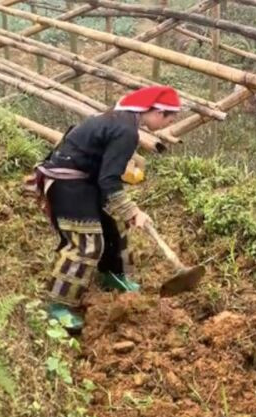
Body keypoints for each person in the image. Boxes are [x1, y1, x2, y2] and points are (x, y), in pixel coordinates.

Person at [29, 85, 181, 333]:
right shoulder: (126, 130)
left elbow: (105, 175)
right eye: (169, 119)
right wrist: (133, 211)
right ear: (156, 112)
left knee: (115, 223)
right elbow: (109, 181)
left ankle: (111, 274)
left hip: (85, 179)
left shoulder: (122, 119)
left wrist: (125, 213)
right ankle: (58, 305)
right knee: (87, 244)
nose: (168, 124)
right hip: (67, 182)